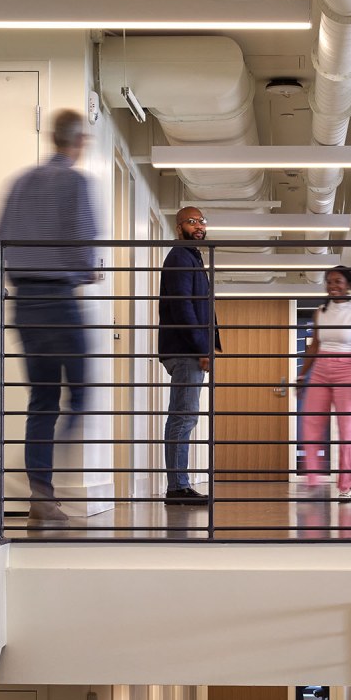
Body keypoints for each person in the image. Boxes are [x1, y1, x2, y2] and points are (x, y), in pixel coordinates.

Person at [0, 111, 103, 518]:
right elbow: (81, 235)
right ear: (78, 142)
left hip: (24, 301)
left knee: (42, 399)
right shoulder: (76, 182)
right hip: (59, 297)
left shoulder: (20, 182)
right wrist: (89, 267)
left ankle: (42, 491)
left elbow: (2, 237)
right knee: (80, 391)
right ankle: (56, 463)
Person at [296, 264, 351, 499]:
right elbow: (315, 345)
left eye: (338, 281)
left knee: (348, 428)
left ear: (349, 285)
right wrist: (301, 375)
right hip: (320, 368)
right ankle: (313, 480)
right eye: (329, 282)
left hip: (347, 369)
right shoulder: (320, 312)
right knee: (310, 422)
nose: (333, 286)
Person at [157, 206, 217, 505]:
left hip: (188, 348)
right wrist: (200, 347)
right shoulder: (180, 256)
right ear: (179, 226)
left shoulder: (191, 257)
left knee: (185, 416)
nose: (199, 226)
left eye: (202, 221)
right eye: (192, 222)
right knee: (183, 417)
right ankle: (177, 487)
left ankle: (179, 484)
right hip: (185, 350)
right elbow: (183, 307)